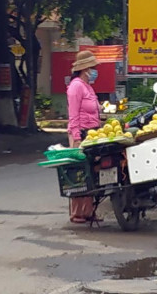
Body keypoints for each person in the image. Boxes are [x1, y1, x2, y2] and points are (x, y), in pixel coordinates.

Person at [66, 50, 102, 223]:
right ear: (85, 68)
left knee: (92, 173)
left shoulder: (88, 86)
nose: (95, 70)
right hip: (80, 134)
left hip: (92, 133)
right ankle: (77, 213)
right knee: (80, 174)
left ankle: (89, 211)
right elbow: (73, 115)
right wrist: (76, 138)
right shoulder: (76, 86)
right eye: (93, 67)